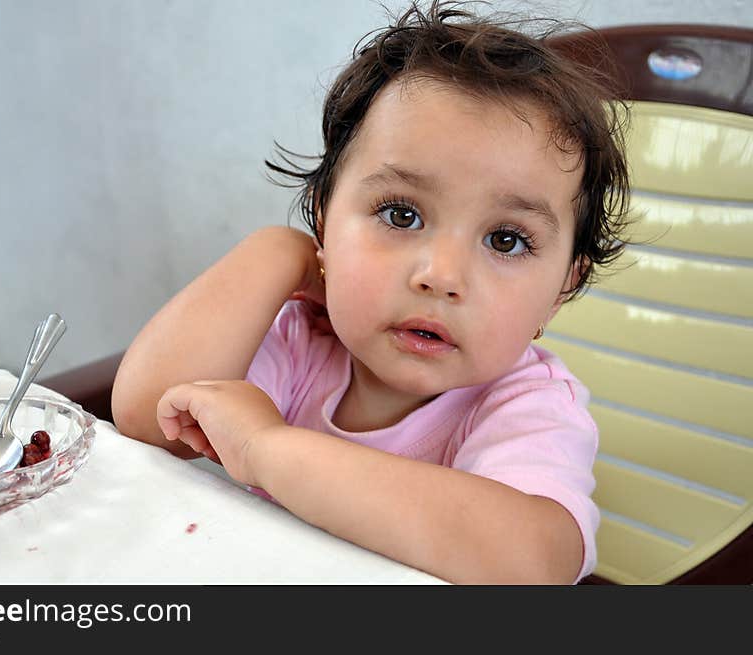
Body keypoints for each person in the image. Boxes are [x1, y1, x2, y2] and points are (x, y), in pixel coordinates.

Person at [111, 0, 630, 584]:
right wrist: (278, 251)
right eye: (401, 214)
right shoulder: (303, 344)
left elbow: (532, 563)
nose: (441, 275)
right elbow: (152, 416)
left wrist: (266, 448)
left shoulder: (527, 405)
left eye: (506, 240)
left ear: (564, 286)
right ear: (324, 222)